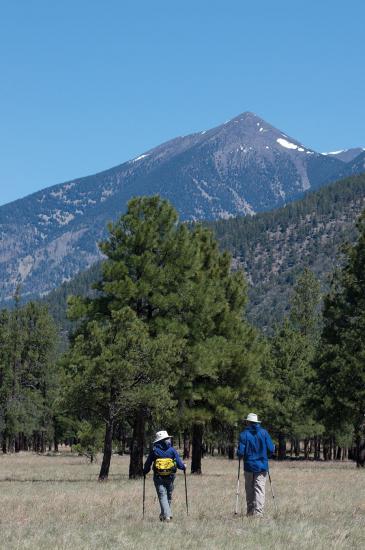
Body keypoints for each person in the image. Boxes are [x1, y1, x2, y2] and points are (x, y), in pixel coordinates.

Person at [237, 412, 275, 517]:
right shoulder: (264, 433)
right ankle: (258, 513)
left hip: (249, 466)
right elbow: (271, 449)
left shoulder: (243, 434)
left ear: (248, 422)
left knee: (249, 489)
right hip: (262, 466)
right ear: (257, 422)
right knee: (259, 488)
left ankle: (250, 512)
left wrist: (239, 454)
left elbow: (240, 452)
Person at [143, 430, 186, 522]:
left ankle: (165, 515)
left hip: (158, 477)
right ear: (166, 439)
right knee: (168, 496)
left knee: (162, 496)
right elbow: (179, 464)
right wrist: (184, 467)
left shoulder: (155, 451)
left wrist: (144, 471)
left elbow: (148, 464)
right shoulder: (172, 450)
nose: (169, 439)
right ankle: (166, 515)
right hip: (170, 477)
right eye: (167, 438)